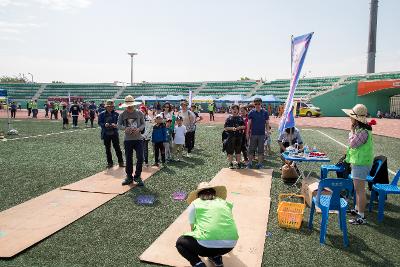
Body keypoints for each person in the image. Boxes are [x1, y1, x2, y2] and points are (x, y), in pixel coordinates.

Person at [176, 182, 239, 267]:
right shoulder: (224, 203)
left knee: (180, 243)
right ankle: (216, 258)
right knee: (213, 236)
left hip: (206, 248)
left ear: (198, 195)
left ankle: (198, 264)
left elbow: (193, 228)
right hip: (230, 245)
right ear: (214, 193)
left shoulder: (195, 203)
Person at [342, 104, 374, 225]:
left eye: (351, 116)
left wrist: (351, 131)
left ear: (356, 119)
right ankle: (357, 210)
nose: (350, 118)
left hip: (361, 164)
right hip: (359, 163)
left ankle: (361, 216)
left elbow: (352, 144)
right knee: (358, 189)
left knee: (360, 190)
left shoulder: (363, 132)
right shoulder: (362, 130)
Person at [118, 95, 145, 186]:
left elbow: (143, 124)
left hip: (138, 139)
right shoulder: (122, 114)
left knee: (140, 157)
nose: (129, 106)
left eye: (131, 104)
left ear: (134, 104)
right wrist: (125, 128)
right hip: (128, 140)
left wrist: (139, 129)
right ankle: (129, 177)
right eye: (128, 105)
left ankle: (137, 176)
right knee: (128, 159)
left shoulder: (139, 113)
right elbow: (119, 125)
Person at [98, 100, 124, 169]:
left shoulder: (116, 114)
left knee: (117, 148)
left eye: (112, 106)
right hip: (106, 133)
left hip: (114, 133)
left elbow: (119, 123)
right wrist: (104, 125)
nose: (111, 108)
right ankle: (110, 163)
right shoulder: (101, 114)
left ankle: (121, 162)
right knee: (107, 149)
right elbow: (99, 122)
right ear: (106, 107)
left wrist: (115, 125)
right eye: (109, 106)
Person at [246, 98, 269, 169]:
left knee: (261, 150)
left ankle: (259, 164)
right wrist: (247, 133)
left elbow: (267, 123)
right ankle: (250, 163)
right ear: (254, 104)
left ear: (261, 104)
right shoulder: (251, 112)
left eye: (258, 104)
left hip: (262, 134)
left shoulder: (265, 112)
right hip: (253, 134)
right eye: (256, 104)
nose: (257, 105)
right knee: (251, 149)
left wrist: (267, 132)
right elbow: (249, 123)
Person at [224, 104, 245, 169]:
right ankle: (231, 163)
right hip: (231, 137)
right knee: (230, 151)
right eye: (233, 109)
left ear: (238, 110)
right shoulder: (228, 118)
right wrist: (232, 128)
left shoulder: (240, 118)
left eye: (236, 109)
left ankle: (238, 163)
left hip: (239, 137)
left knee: (238, 150)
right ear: (231, 110)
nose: (234, 110)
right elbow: (225, 128)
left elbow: (244, 126)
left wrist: (239, 127)